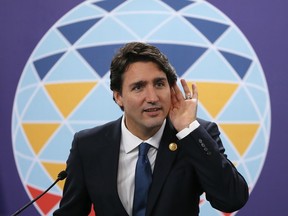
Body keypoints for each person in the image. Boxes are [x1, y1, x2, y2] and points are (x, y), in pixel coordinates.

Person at [53, 42, 249, 216]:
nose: (153, 97)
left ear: (172, 90)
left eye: (159, 84)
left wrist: (188, 130)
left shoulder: (197, 135)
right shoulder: (88, 145)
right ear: (118, 96)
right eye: (138, 87)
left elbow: (232, 200)